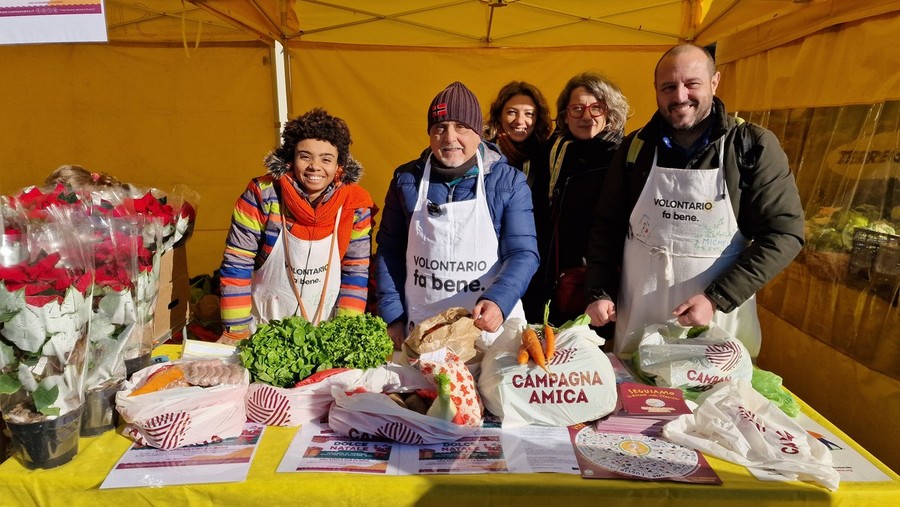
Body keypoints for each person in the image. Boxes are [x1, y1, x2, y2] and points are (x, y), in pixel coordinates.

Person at [583, 44, 804, 358]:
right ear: (656, 90)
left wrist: (717, 298)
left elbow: (785, 234)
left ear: (714, 82)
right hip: (639, 318)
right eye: (668, 87)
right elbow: (606, 225)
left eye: (692, 84)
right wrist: (599, 291)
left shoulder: (751, 146)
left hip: (715, 323)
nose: (680, 96)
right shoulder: (636, 148)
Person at [375, 81, 539, 349]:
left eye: (461, 127)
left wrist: (499, 300)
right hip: (422, 332)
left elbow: (523, 253)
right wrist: (393, 316)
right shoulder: (407, 180)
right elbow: (389, 250)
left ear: (479, 132)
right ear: (429, 133)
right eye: (440, 127)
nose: (450, 138)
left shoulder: (509, 182)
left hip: (488, 332)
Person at [218, 108, 375, 343]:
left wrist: (345, 333)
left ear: (339, 165)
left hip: (326, 332)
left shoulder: (356, 205)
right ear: (291, 159)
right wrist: (236, 329)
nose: (315, 166)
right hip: (262, 330)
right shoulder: (263, 195)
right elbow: (237, 260)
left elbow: (356, 270)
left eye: (326, 159)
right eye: (305, 156)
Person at [523, 72, 629, 327]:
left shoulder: (623, 156)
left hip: (603, 282)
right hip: (551, 278)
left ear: (609, 112)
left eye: (596, 108)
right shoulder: (551, 152)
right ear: (565, 114)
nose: (586, 116)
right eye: (577, 108)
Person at [483, 81, 553, 176]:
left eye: (529, 114)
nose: (520, 121)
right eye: (512, 112)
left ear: (538, 118)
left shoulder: (547, 155)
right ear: (499, 115)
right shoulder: (483, 150)